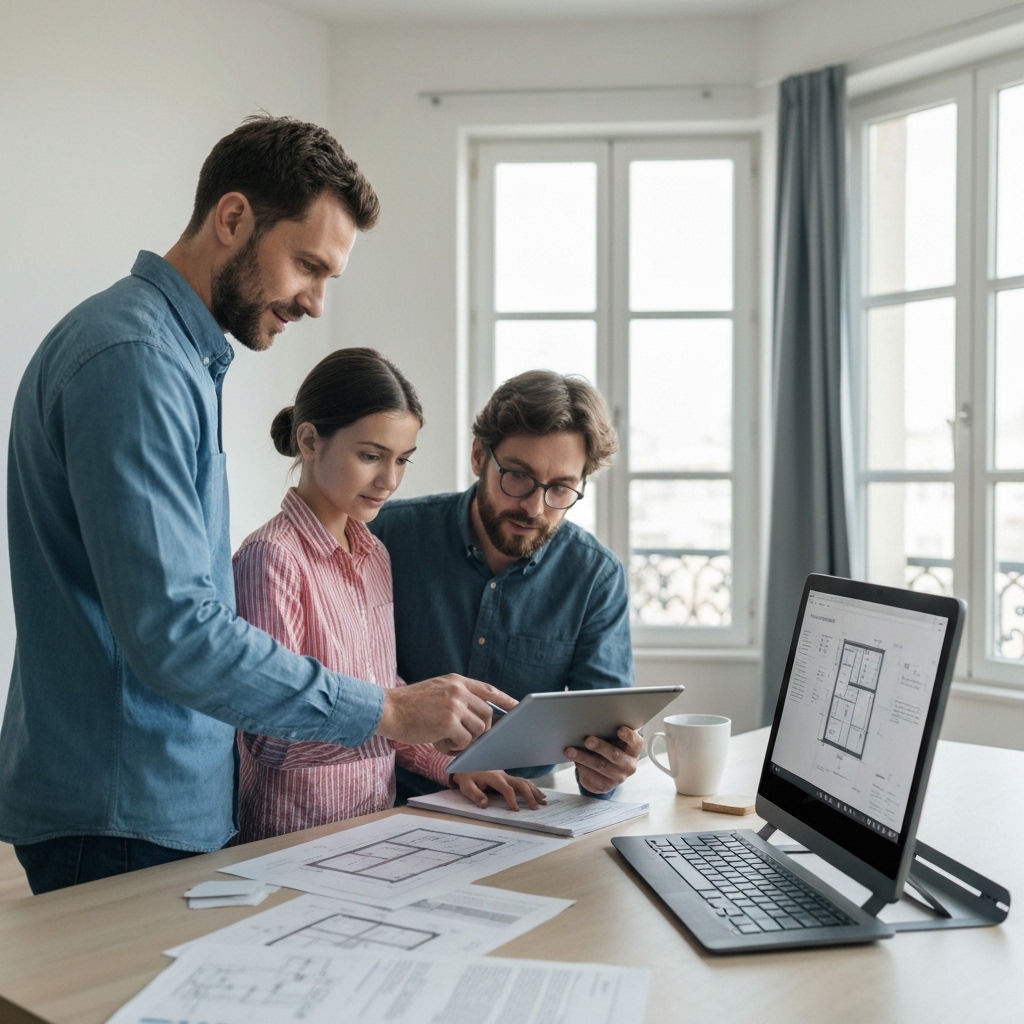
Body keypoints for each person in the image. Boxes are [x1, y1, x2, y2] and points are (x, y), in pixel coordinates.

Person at [1, 115, 512, 895]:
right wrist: (389, 711)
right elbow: (177, 634)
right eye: (307, 266)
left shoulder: (171, 356)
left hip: (151, 804)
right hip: (122, 811)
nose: (313, 303)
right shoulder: (137, 362)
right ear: (232, 218)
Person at [233, 348, 544, 842]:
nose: (390, 480)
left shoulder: (374, 552)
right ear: (310, 440)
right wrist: (402, 718)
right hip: (289, 839)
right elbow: (270, 734)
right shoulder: (271, 560)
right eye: (371, 456)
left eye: (402, 460)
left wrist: (454, 764)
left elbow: (382, 689)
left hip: (373, 832)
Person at [370, 370, 643, 802]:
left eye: (561, 488)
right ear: (480, 456)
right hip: (390, 794)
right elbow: (355, 681)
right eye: (517, 476)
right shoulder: (389, 534)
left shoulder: (595, 576)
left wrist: (602, 774)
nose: (534, 507)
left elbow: (602, 729)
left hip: (525, 805)